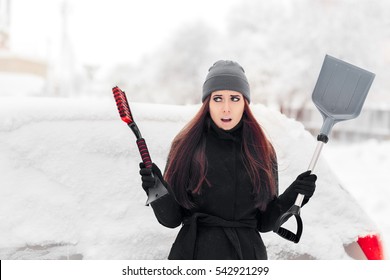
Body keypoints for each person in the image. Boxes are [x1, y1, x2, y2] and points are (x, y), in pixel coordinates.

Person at [139, 60, 317, 260]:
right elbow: (171, 220)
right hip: (193, 254)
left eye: (234, 98)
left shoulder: (261, 150)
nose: (226, 108)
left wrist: (296, 194)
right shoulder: (185, 146)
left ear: (244, 103)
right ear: (207, 103)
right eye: (217, 98)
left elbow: (265, 222)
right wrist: (156, 189)